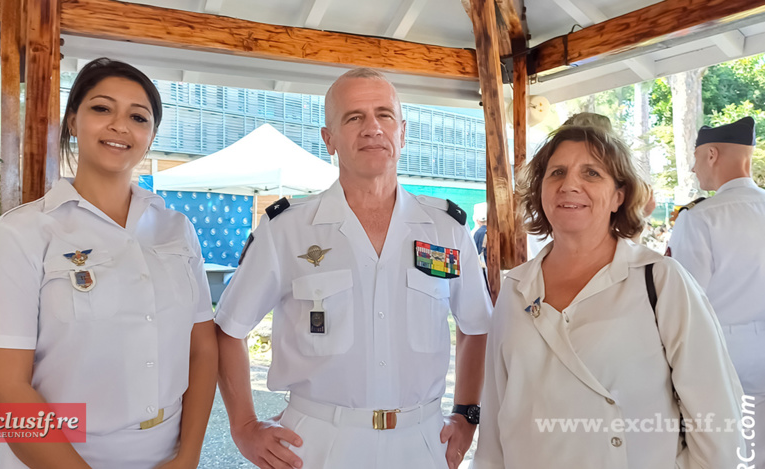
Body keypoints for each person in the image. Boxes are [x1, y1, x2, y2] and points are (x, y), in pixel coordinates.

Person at [214, 68, 492, 469]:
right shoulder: (287, 229)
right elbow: (228, 330)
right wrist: (243, 426)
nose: (372, 128)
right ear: (329, 139)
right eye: (354, 117)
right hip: (318, 441)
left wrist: (467, 413)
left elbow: (476, 325)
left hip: (422, 441)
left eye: (385, 115)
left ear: (403, 132)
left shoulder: (446, 229)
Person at [0, 58, 218, 469]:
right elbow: (2, 386)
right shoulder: (24, 232)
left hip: (164, 454)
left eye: (138, 116)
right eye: (102, 108)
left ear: (150, 135)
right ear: (72, 121)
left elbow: (202, 348)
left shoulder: (176, 228)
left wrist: (188, 455)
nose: (120, 125)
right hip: (54, 456)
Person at [473, 124, 745, 468]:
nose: (570, 184)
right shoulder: (515, 289)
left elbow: (716, 416)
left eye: (591, 172)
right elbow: (496, 416)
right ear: (540, 190)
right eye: (557, 172)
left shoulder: (660, 281)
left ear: (619, 195)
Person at [667, 116, 765, 468]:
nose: (694, 170)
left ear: (711, 154)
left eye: (695, 159)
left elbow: (684, 302)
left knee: (725, 455)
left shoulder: (700, 218)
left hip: (722, 357)